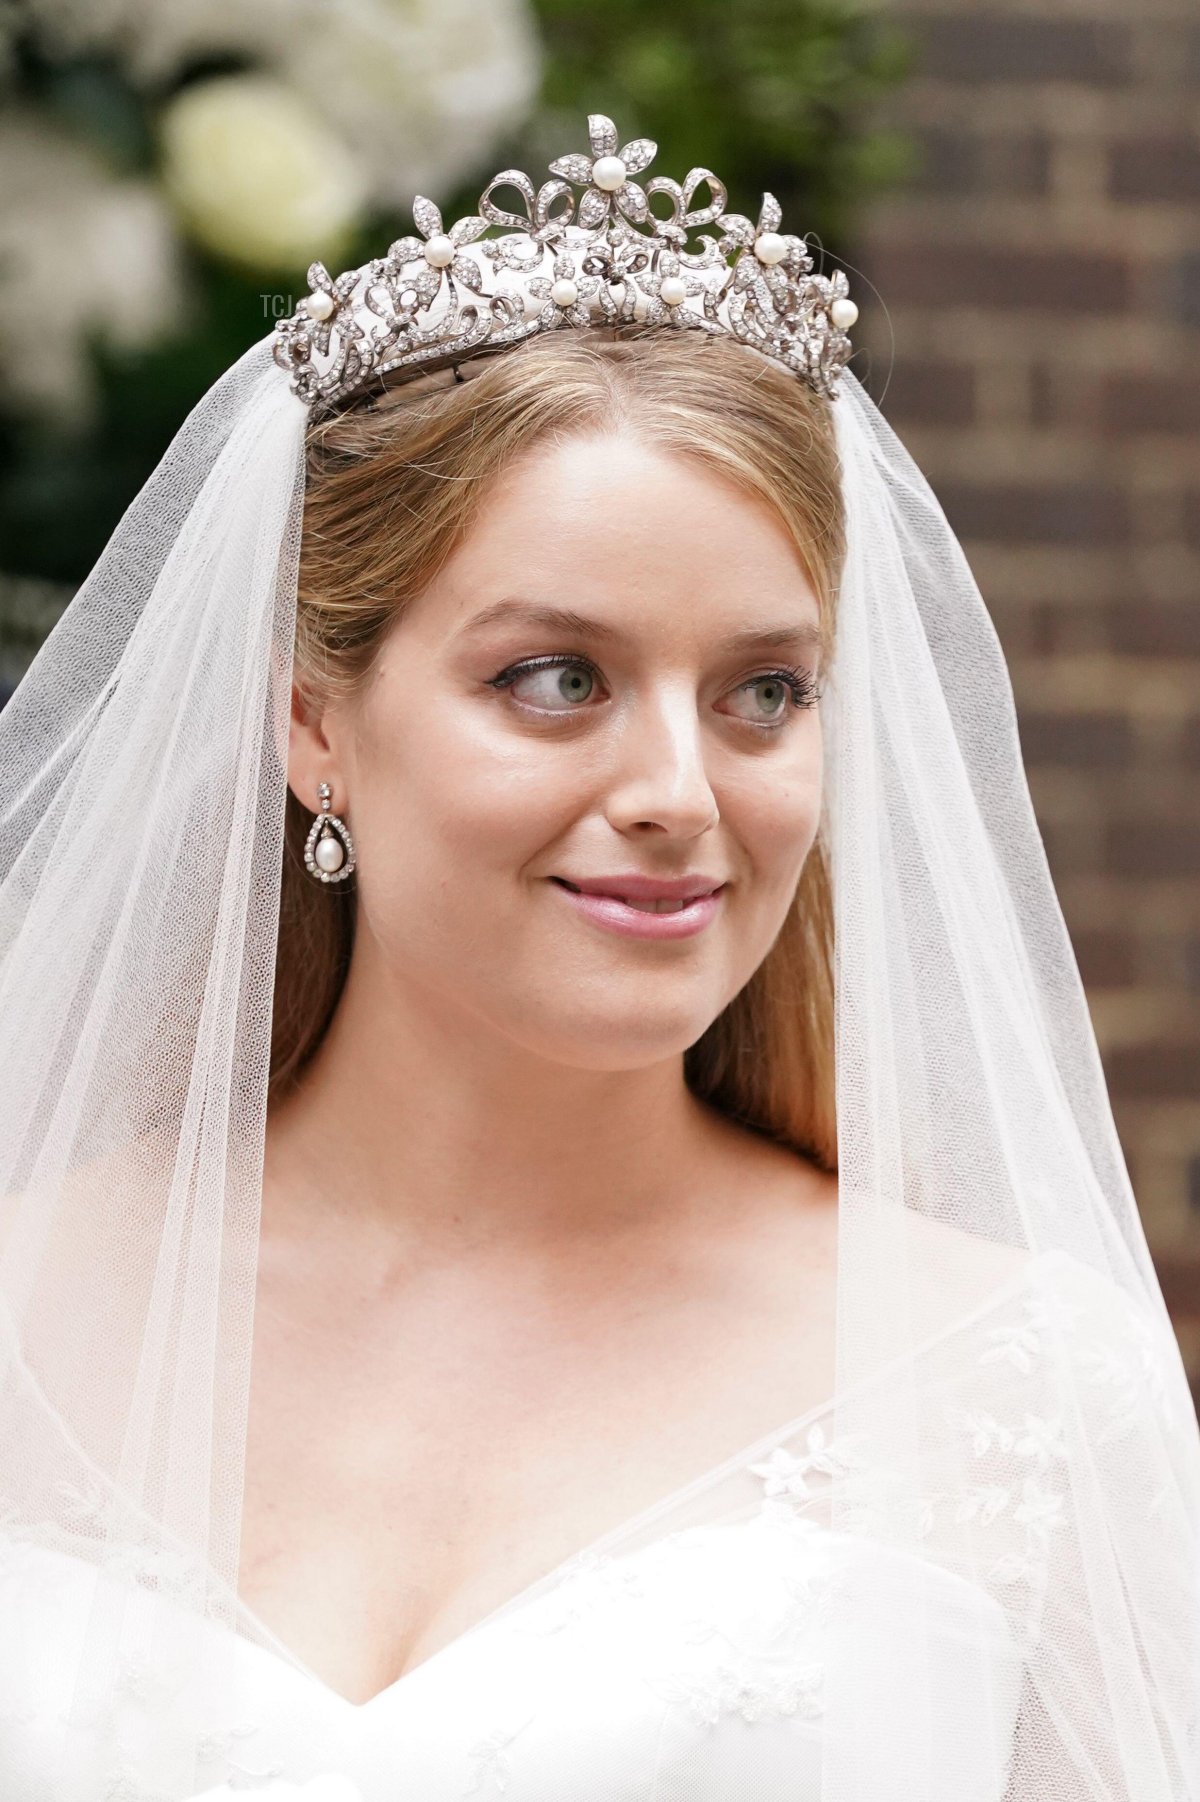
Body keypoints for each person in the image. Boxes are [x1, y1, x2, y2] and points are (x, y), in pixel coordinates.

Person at [0, 112, 1196, 1802]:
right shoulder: (21, 1303)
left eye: (763, 692)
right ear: (314, 723)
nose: (680, 795)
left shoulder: (1026, 1398)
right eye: (557, 679)